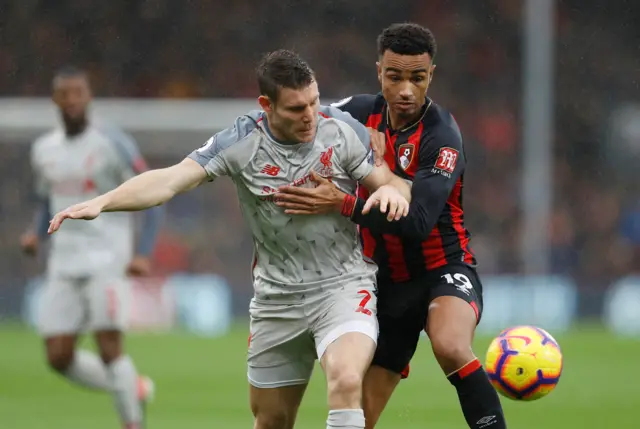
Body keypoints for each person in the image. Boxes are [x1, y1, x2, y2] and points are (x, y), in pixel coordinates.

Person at [48, 50, 411, 429]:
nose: (310, 116)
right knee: (271, 419)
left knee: (346, 379)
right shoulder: (240, 141)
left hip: (343, 287)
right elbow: (169, 180)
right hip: (277, 299)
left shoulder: (341, 130)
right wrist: (104, 201)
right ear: (266, 105)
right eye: (296, 108)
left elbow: (393, 183)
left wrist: (391, 193)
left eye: (314, 102)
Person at [276, 24, 507, 429]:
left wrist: (344, 202)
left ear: (430, 76)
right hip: (384, 285)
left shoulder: (443, 137)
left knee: (451, 346)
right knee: (360, 417)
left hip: (444, 269)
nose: (405, 90)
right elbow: (305, 125)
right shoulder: (354, 113)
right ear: (378, 70)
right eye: (394, 76)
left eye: (417, 78)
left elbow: (417, 221)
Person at [20, 67, 161, 429]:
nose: (71, 101)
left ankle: (132, 422)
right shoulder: (43, 150)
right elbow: (45, 199)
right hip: (63, 262)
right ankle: (134, 387)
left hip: (107, 259)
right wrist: (35, 233)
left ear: (88, 97)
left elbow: (150, 190)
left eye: (77, 93)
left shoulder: (112, 142)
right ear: (55, 100)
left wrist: (142, 251)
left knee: (109, 347)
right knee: (57, 356)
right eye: (64, 94)